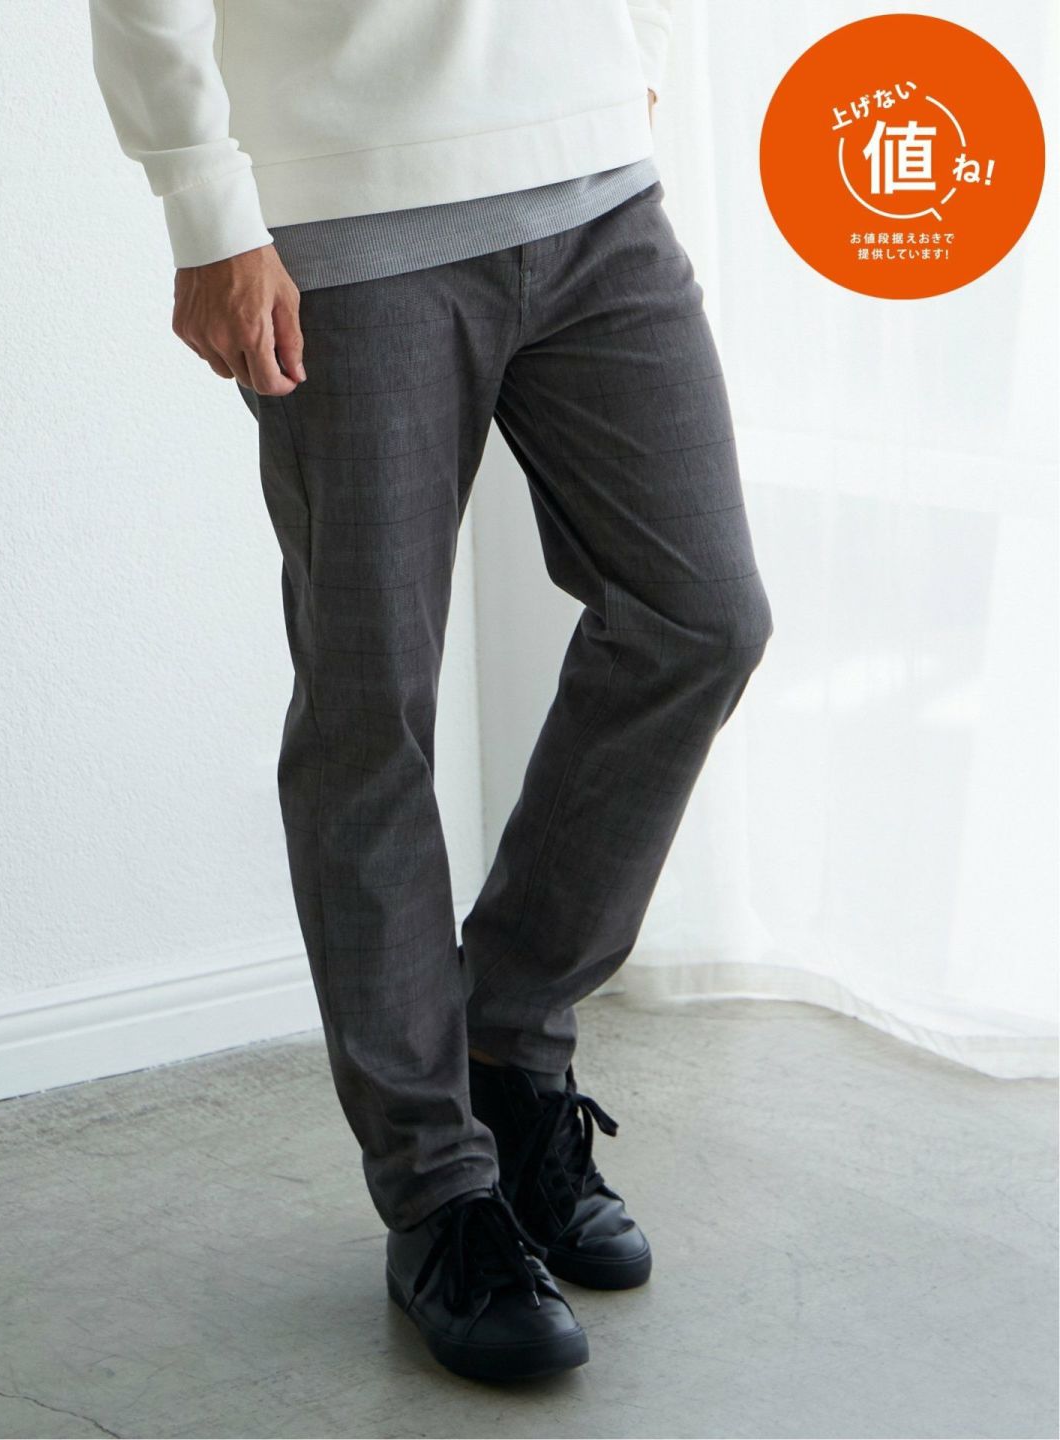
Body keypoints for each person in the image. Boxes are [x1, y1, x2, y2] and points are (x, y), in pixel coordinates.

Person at [88, 0, 773, 1383]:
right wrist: (206, 209)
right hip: (351, 217)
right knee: (372, 710)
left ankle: (508, 1051)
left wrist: (633, 57)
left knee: (701, 619)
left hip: (595, 185)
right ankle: (437, 1192)